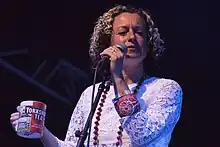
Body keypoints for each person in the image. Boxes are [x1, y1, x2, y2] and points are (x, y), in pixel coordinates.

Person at [10, 4, 183, 147]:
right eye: (123, 32)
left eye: (139, 32)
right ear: (109, 42)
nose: (131, 37)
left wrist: (118, 78)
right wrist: (41, 132)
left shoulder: (166, 89)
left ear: (148, 43)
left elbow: (141, 134)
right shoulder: (90, 94)